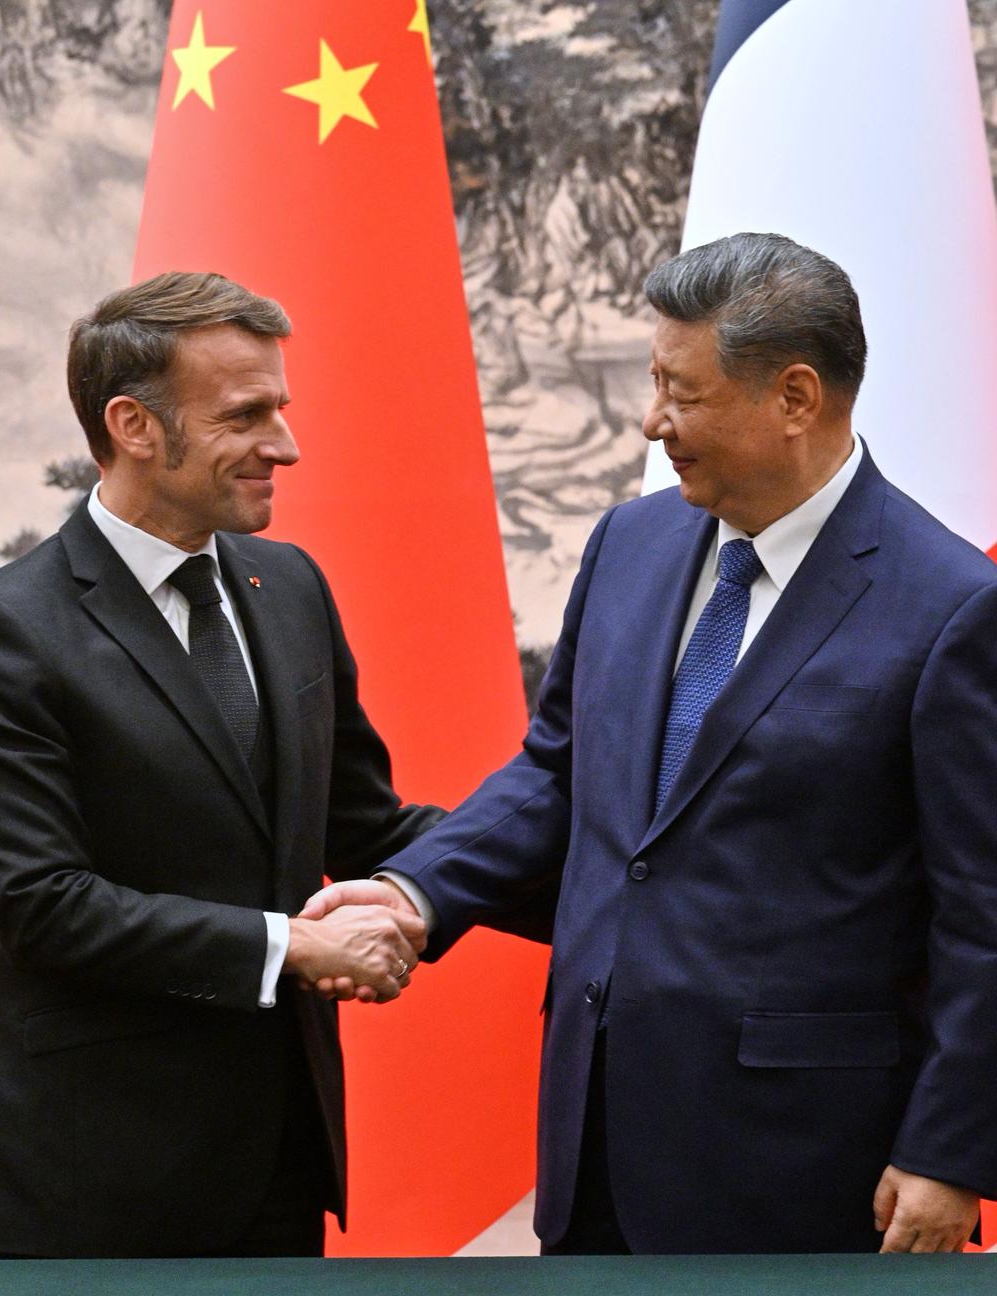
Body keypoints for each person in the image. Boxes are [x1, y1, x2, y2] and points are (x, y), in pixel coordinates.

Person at [303, 233, 997, 1254]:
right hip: (594, 1134)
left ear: (796, 398)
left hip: (803, 1166)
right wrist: (415, 891)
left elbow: (983, 917)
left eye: (682, 392)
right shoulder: (629, 545)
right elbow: (558, 773)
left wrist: (949, 1152)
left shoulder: (949, 609)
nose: (651, 421)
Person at [0, 271, 438, 1259]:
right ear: (134, 426)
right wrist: (293, 947)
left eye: (280, 409)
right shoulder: (0, 631)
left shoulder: (288, 587)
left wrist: (583, 861)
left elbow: (366, 825)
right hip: (83, 1190)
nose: (284, 445)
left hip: (281, 1167)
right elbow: (43, 903)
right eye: (247, 415)